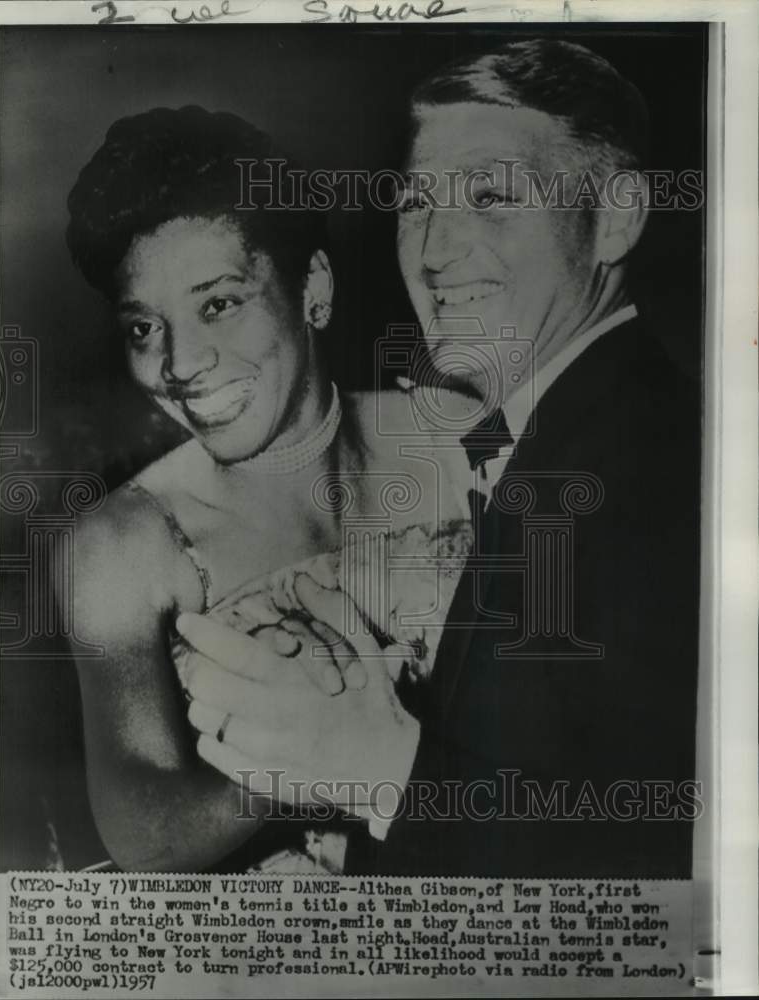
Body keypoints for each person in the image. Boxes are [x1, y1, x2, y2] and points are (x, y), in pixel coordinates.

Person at [182, 40, 701, 877]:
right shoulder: (567, 431)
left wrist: (379, 767)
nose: (432, 252)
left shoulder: (655, 468)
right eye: (417, 201)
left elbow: (665, 868)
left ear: (614, 216)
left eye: (491, 195)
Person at [62, 105, 475, 873]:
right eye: (144, 328)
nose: (180, 363)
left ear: (312, 288)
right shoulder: (123, 542)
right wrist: (298, 759)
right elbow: (141, 833)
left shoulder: (452, 436)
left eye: (218, 304)